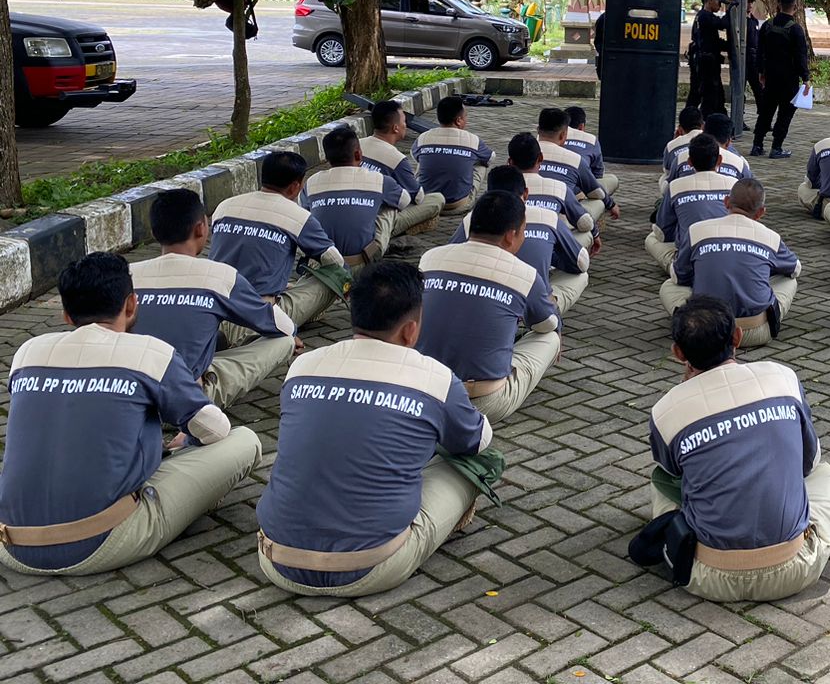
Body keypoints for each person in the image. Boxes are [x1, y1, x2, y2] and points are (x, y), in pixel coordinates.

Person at [0, 252, 260, 576]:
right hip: (100, 542)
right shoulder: (150, 353)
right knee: (245, 440)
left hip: (11, 544)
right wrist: (188, 435)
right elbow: (215, 428)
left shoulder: (27, 354)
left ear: (66, 314)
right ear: (132, 304)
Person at [256, 261, 491, 596]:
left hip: (276, 559)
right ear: (411, 330)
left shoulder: (303, 367)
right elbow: (476, 442)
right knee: (472, 469)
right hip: (371, 568)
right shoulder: (436, 378)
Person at [632, 296, 830, 601]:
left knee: (661, 481)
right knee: (826, 474)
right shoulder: (783, 378)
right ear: (737, 338)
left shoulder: (666, 411)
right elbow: (809, 463)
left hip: (705, 576)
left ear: (678, 353)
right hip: (796, 571)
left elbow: (673, 474)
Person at [131, 189, 297, 409]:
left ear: (154, 232)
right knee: (284, 340)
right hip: (188, 403)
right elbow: (282, 326)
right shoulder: (220, 276)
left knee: (212, 338)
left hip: (132, 398)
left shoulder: (127, 274)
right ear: (201, 228)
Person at [418, 191, 563, 422]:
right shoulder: (525, 274)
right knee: (550, 337)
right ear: (510, 235)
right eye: (523, 231)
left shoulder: (429, 258)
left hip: (423, 389)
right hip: (482, 402)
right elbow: (547, 324)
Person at [209, 151, 343, 331]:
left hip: (214, 305)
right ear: (296, 186)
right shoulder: (298, 217)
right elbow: (335, 261)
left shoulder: (224, 207)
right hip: (257, 315)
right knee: (334, 278)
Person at [663, 179, 800, 347]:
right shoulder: (771, 237)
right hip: (755, 332)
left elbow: (679, 275)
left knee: (668, 286)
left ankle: (687, 324)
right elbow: (795, 269)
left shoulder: (697, 230)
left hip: (706, 330)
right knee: (789, 279)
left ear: (726, 201)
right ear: (761, 212)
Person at [448, 166, 590, 313]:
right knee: (579, 274)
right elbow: (581, 258)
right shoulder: (548, 216)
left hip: (480, 301)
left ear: (488, 194)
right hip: (532, 306)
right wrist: (549, 257)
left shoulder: (469, 220)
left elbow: (450, 257)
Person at [300, 126, 411, 267]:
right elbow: (405, 201)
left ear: (327, 158)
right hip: (363, 260)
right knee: (390, 205)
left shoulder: (311, 183)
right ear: (358, 154)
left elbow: (304, 212)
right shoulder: (380, 180)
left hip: (322, 263)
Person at [648, 134, 739, 272]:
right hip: (731, 257)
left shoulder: (675, 186)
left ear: (689, 162)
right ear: (720, 160)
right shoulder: (735, 185)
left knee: (651, 239)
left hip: (691, 259)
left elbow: (663, 232)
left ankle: (675, 267)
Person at [361, 100, 445, 237]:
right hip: (377, 223)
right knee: (436, 199)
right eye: (404, 122)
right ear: (395, 128)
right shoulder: (396, 159)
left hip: (354, 211)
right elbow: (418, 197)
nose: (405, 125)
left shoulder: (357, 146)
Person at [508, 132, 596, 249]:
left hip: (502, 255)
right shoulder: (560, 188)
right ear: (540, 158)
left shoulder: (495, 193)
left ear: (510, 162)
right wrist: (595, 234)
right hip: (548, 255)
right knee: (586, 233)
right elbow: (585, 223)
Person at [752, 0, 810, 158]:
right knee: (785, 113)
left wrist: (761, 72)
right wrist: (805, 78)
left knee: (766, 111)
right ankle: (776, 147)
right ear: (796, 6)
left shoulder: (767, 26)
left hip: (770, 77)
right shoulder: (795, 29)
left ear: (778, 5)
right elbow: (801, 56)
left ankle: (757, 145)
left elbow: (760, 51)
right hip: (788, 79)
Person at [536, 107, 617, 227]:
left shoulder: (524, 155)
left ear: (538, 130)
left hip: (520, 222)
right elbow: (596, 187)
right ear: (564, 134)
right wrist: (610, 205)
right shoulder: (575, 160)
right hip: (561, 217)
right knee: (598, 199)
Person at [414, 96, 494, 215]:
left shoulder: (422, 138)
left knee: (422, 160)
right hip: (457, 205)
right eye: (465, 116)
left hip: (426, 203)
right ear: (458, 120)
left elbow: (415, 155)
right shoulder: (473, 140)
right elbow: (491, 157)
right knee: (482, 163)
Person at [688, 0, 730, 116]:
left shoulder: (703, 16)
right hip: (706, 63)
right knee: (709, 97)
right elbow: (724, 24)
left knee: (705, 96)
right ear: (710, 0)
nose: (720, 5)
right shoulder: (705, 16)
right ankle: (702, 125)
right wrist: (731, 10)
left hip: (704, 61)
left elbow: (713, 40)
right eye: (719, 2)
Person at [563, 106, 620, 197]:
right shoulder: (591, 140)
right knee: (612, 179)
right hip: (574, 192)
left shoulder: (552, 140)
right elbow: (597, 174)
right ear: (582, 126)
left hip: (551, 187)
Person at [661, 106, 705, 187]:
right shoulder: (713, 143)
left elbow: (667, 171)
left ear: (680, 129)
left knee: (664, 178)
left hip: (681, 189)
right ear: (702, 125)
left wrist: (674, 141)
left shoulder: (671, 146)